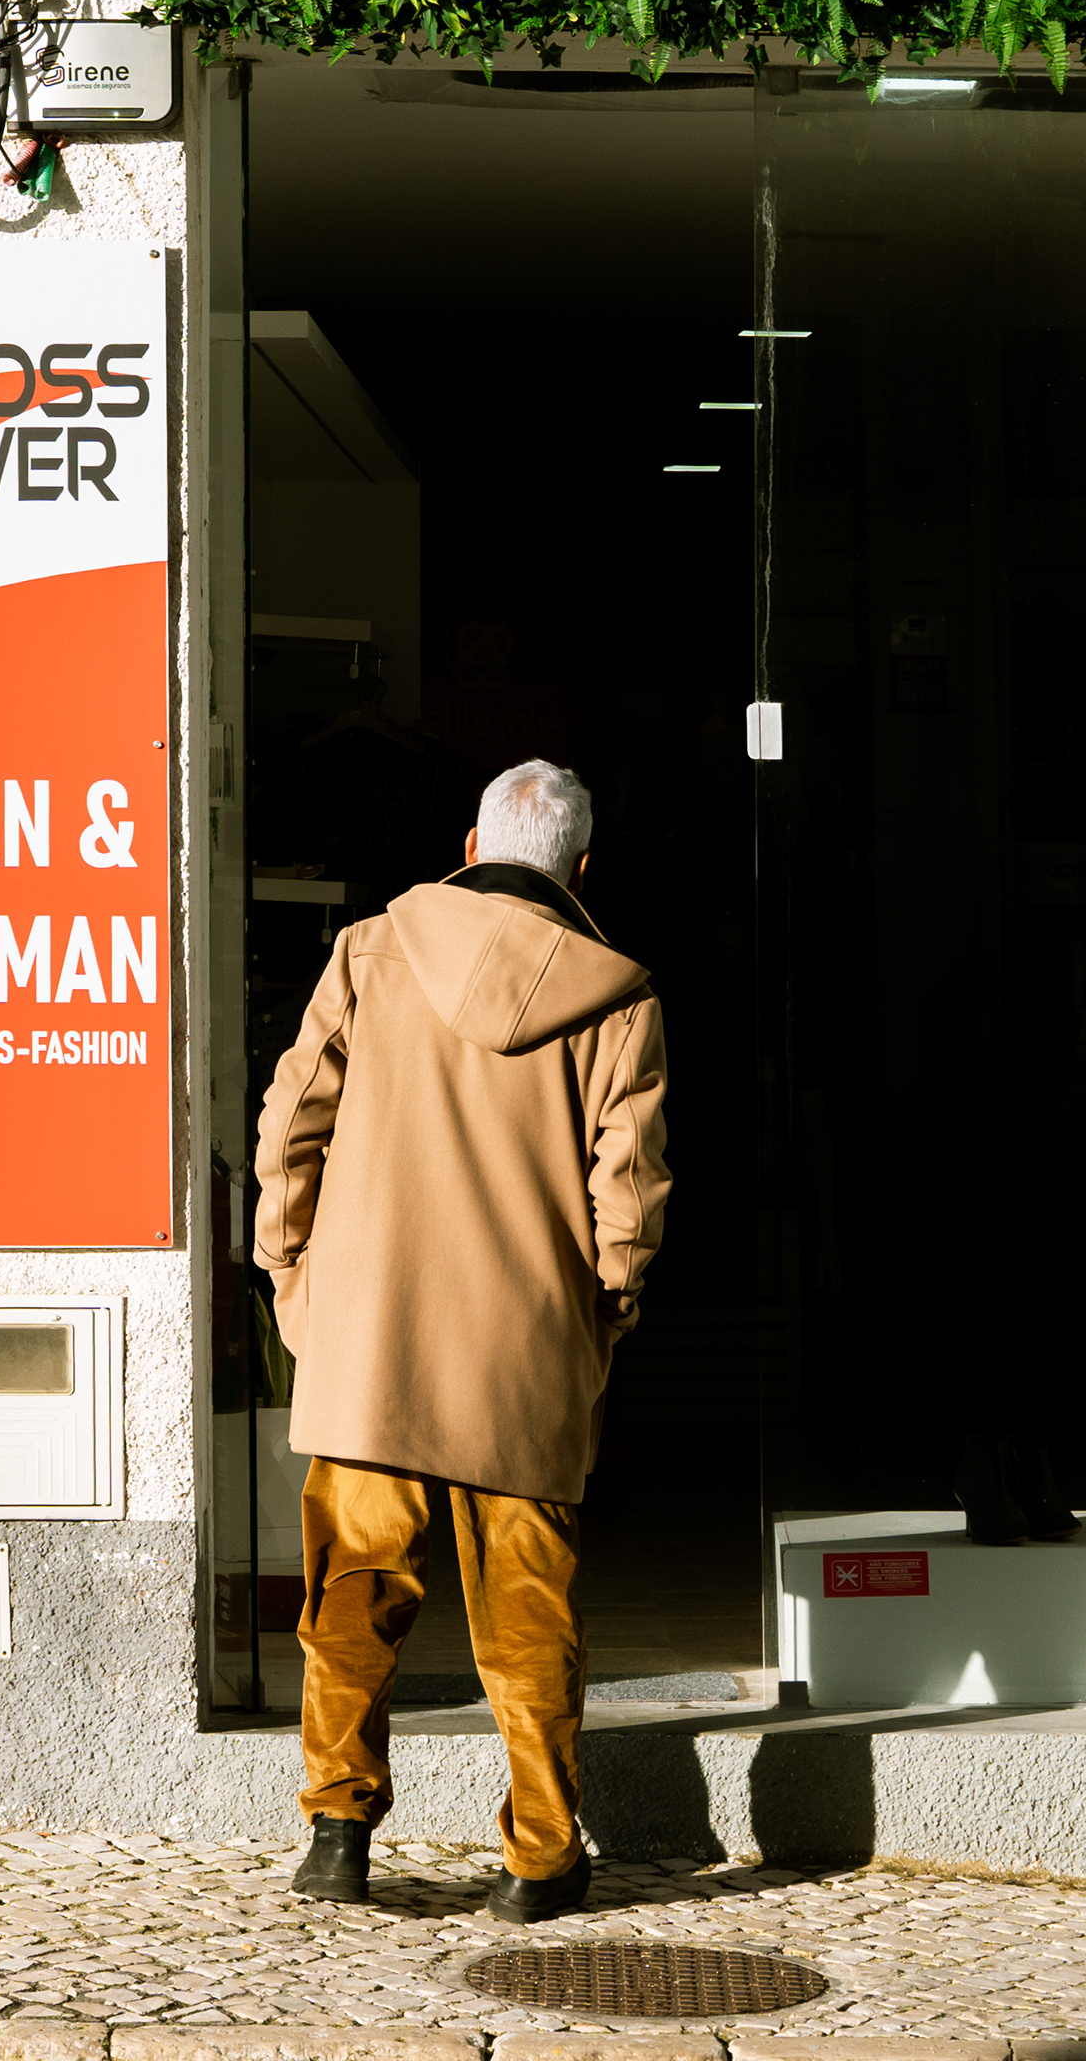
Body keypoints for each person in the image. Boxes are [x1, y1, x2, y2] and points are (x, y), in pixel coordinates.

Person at [250, 757, 670, 1922]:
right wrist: (601, 1318)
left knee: (352, 1594)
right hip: (526, 1354)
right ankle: (540, 1857)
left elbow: (289, 1126)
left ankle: (338, 1834)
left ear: (471, 844)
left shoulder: (371, 949)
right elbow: (630, 1194)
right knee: (529, 1615)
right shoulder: (620, 997)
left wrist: (295, 1277)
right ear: (581, 867)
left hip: (369, 1336)